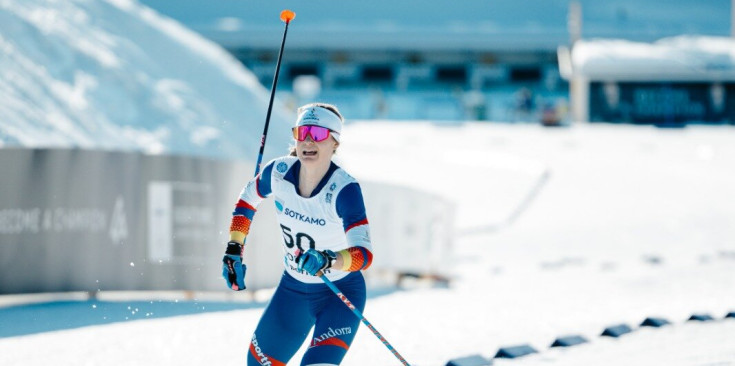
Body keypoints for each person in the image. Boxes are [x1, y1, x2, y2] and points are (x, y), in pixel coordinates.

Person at [222, 102, 373, 366]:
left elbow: (364, 255)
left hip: (339, 293)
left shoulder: (344, 190)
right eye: (302, 132)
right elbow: (247, 201)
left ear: (335, 142)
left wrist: (328, 259)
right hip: (292, 291)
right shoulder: (278, 172)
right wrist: (234, 248)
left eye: (317, 134)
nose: (307, 141)